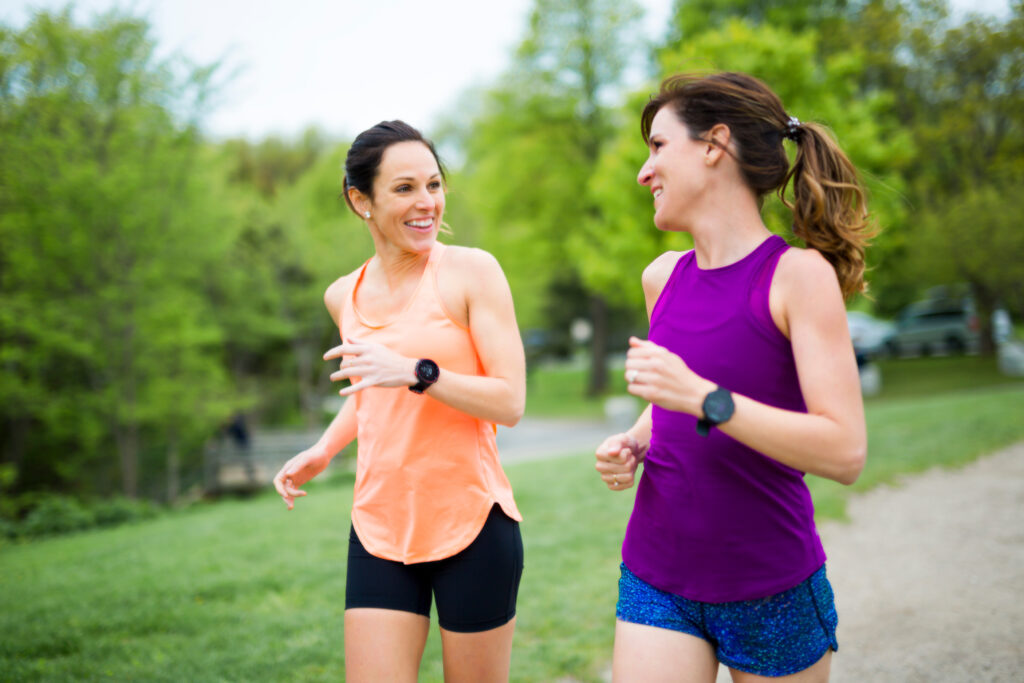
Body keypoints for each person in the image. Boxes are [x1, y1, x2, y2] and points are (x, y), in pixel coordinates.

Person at [594, 72, 872, 682]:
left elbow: (845, 450)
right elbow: (674, 403)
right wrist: (638, 438)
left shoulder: (798, 277)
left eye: (659, 147)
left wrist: (703, 398)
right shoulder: (661, 277)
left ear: (715, 144)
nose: (644, 172)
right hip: (656, 576)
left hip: (769, 587)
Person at [273, 120, 526, 682]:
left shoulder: (471, 272)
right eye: (405, 188)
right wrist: (325, 447)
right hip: (379, 527)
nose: (427, 203)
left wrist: (416, 371)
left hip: (472, 523)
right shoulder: (344, 294)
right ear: (360, 200)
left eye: (434, 185)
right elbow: (371, 389)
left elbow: (509, 401)